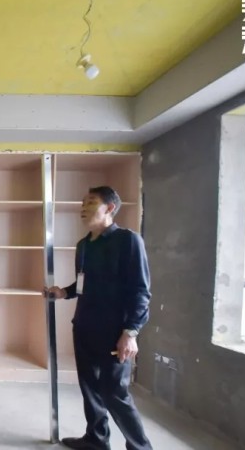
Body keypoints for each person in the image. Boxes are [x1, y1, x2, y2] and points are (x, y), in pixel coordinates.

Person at [46, 186, 153, 450]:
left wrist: (131, 332)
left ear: (110, 208)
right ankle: (96, 438)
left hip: (114, 333)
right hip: (84, 327)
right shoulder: (83, 246)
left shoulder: (128, 241)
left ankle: (141, 447)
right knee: (90, 388)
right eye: (83, 202)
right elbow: (84, 285)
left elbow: (141, 291)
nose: (83, 207)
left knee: (115, 393)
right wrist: (64, 292)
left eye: (91, 202)